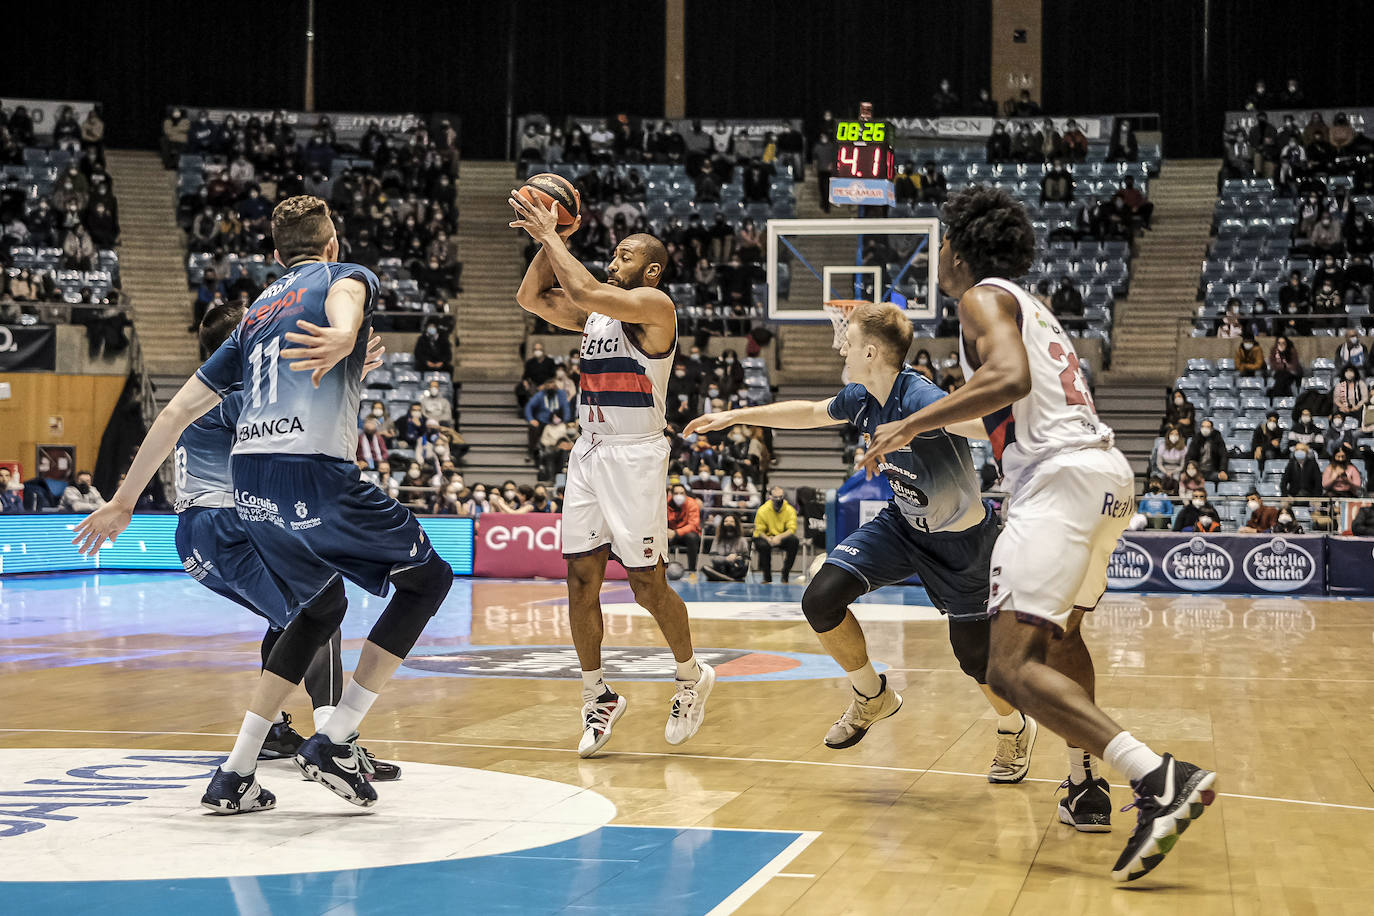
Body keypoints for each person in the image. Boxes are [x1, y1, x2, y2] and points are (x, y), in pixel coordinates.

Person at [861, 187, 1216, 882]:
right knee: (1062, 640)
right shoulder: (1033, 309)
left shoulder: (981, 299)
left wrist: (910, 423)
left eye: (940, 243)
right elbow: (1011, 403)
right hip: (1104, 476)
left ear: (956, 251)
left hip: (1056, 485)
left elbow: (1007, 377)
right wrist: (932, 420)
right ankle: (1085, 783)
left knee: (1010, 666)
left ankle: (1159, 778)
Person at [75, 195, 454, 814]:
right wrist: (347, 333)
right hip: (311, 475)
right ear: (332, 246)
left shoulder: (253, 318)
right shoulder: (343, 277)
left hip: (248, 487)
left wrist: (123, 500)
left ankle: (236, 772)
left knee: (319, 606)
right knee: (427, 581)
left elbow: (174, 411)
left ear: (276, 257)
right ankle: (336, 737)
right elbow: (345, 301)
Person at [689, 301, 1037, 781]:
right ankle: (873, 696)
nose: (840, 347)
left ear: (871, 352)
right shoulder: (861, 396)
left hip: (963, 545)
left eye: (847, 342)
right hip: (901, 525)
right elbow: (810, 412)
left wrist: (1013, 410)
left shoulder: (920, 398)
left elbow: (983, 423)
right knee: (821, 598)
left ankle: (1014, 725)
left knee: (974, 660)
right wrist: (734, 416)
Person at [511, 191, 714, 759]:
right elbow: (531, 296)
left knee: (647, 583)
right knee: (580, 580)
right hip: (590, 449)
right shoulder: (598, 313)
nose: (613, 259)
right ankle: (597, 695)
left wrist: (552, 234)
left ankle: (690, 674)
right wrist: (556, 239)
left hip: (636, 454)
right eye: (613, 252)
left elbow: (581, 288)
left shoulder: (656, 305)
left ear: (649, 269)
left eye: (624, 255)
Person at [752, 486, 800, 584]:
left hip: (782, 536)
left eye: (780, 497)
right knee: (762, 545)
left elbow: (792, 529)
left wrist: (779, 537)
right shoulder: (762, 510)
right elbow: (759, 529)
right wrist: (768, 539)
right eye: (776, 497)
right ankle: (767, 577)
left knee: (794, 541)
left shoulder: (790, 509)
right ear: (770, 497)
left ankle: (785, 575)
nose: (778, 499)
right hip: (766, 537)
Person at [665, 483, 702, 572]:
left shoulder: (692, 503)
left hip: (685, 534)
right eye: (676, 493)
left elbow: (693, 525)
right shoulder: (665, 503)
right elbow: (659, 520)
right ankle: (659, 569)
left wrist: (676, 533)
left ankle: (692, 569)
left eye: (681, 493)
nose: (679, 496)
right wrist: (665, 531)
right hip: (668, 533)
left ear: (685, 494)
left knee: (692, 537)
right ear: (672, 494)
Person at [702, 515, 750, 581]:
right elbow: (713, 558)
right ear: (722, 524)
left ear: (736, 524)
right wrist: (726, 559)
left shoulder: (742, 540)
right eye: (726, 521)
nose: (728, 523)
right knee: (705, 568)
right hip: (720, 568)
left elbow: (746, 558)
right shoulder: (717, 539)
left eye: (731, 521)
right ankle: (730, 580)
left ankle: (721, 578)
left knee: (744, 568)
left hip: (735, 569)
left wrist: (737, 557)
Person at [1151, 427, 1187, 493]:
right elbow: (1159, 463)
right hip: (1163, 468)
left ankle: (1175, 498)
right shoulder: (1162, 446)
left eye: (1176, 434)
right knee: (1159, 478)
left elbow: (1182, 465)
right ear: (1168, 435)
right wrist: (1166, 472)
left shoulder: (1183, 448)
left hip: (1177, 469)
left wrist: (1172, 472)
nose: (1174, 436)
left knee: (1177, 480)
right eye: (1172, 434)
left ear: (1179, 436)